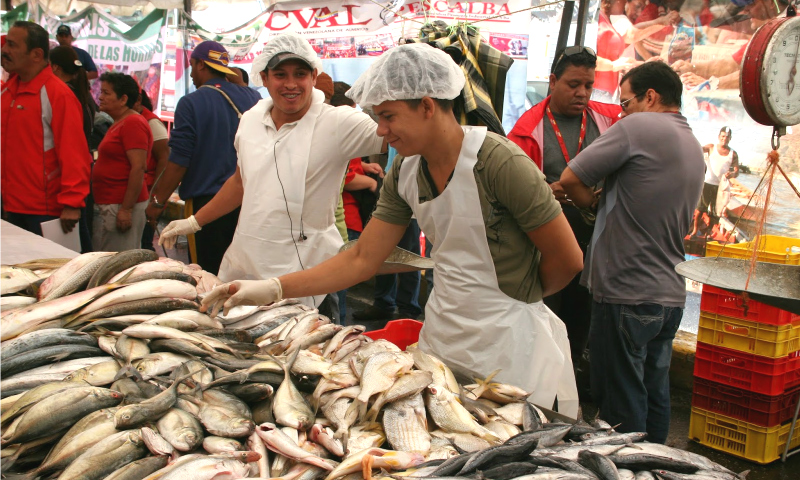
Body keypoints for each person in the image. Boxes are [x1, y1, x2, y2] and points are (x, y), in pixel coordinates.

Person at [200, 44, 583, 417]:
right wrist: (274, 288)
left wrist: (516, 301)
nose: (380, 131)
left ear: (428, 106)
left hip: (512, 343)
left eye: (388, 116)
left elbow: (568, 259)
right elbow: (363, 257)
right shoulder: (406, 171)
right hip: (444, 331)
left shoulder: (499, 162)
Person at [159, 33, 386, 317]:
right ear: (264, 78)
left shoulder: (337, 122)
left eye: (300, 74)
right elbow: (241, 182)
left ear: (314, 77)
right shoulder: (252, 119)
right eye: (280, 74)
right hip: (245, 266)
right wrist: (194, 221)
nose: (290, 84)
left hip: (307, 275)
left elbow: (398, 132)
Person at [560, 61, 704, 443]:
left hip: (626, 292)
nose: (622, 112)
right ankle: (658, 465)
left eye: (626, 103)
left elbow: (571, 178)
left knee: (620, 405)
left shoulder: (639, 126)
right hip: (669, 296)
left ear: (651, 97)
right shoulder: (691, 140)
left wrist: (590, 205)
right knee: (654, 394)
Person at [509, 47, 621, 371]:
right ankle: (543, 380)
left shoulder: (609, 120)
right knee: (545, 313)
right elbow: (511, 189)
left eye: (588, 85)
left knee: (581, 313)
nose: (582, 93)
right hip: (547, 245)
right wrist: (543, 191)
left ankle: (573, 374)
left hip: (595, 240)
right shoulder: (526, 130)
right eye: (573, 84)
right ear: (553, 81)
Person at [147, 41, 261, 274]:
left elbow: (179, 161)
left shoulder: (191, 102)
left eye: (191, 66)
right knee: (243, 273)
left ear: (200, 65)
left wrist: (157, 203)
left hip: (205, 207)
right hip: (248, 201)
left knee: (207, 273)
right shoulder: (252, 98)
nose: (190, 74)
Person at [1, 21, 91, 238]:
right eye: (5, 44)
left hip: (47, 211)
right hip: (11, 204)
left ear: (36, 54)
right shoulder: (7, 91)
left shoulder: (57, 94)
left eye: (12, 45)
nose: (4, 50)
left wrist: (72, 202)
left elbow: (74, 153)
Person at [92, 72, 152, 252]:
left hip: (120, 203)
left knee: (116, 263)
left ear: (123, 99)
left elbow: (138, 167)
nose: (100, 97)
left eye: (106, 93)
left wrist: (126, 209)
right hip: (111, 202)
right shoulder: (120, 121)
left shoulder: (132, 123)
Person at [49, 45, 96, 252]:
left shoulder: (63, 96)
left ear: (55, 67)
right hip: (82, 176)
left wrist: (71, 199)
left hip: (71, 181)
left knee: (73, 247)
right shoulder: (81, 94)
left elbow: (72, 149)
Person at [134, 90, 170, 250]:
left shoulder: (151, 122)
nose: (101, 97)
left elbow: (165, 159)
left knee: (143, 244)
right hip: (140, 192)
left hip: (148, 193)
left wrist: (156, 197)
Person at [691, 126, 739, 237]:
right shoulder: (711, 147)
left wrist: (731, 174)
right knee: (699, 211)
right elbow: (698, 148)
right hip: (707, 184)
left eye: (727, 137)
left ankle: (708, 233)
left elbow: (736, 171)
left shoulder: (733, 154)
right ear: (719, 137)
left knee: (715, 213)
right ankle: (694, 230)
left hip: (721, 188)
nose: (724, 139)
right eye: (722, 136)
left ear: (730, 138)